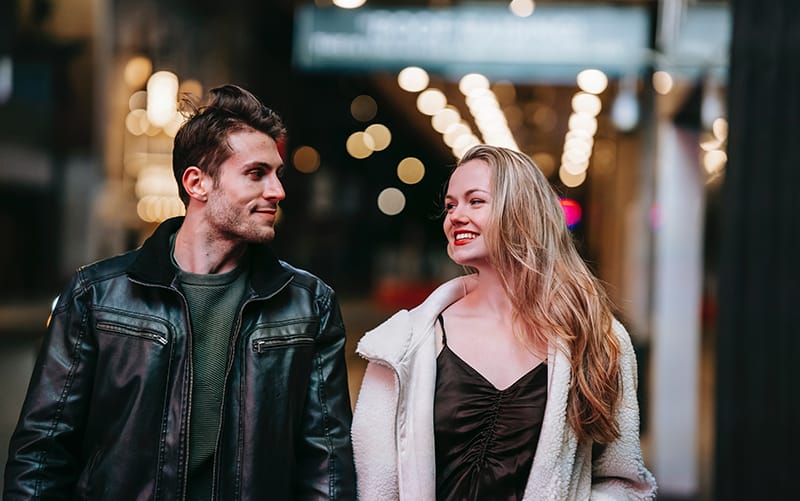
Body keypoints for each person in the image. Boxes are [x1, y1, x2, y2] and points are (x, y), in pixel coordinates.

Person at [3, 84, 356, 500]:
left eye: (277, 174)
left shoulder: (309, 304)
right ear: (198, 183)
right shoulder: (97, 296)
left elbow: (326, 467)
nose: (277, 191)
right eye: (256, 173)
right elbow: (42, 454)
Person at [351, 145, 656, 500]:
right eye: (451, 205)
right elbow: (375, 488)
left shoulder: (594, 338)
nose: (455, 216)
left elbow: (623, 481)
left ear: (522, 210)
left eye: (475, 201)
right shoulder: (401, 345)